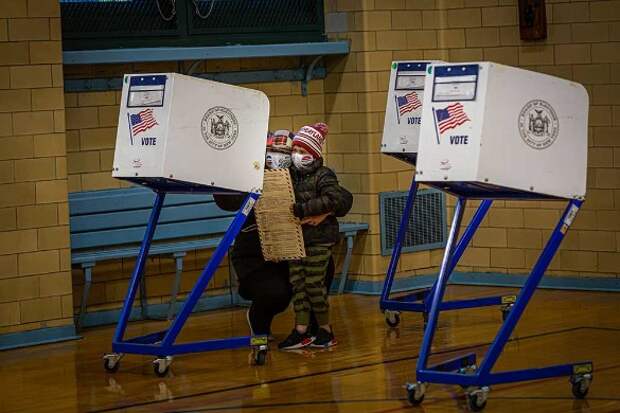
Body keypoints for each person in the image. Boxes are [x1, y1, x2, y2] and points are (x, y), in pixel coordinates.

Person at [213, 130, 346, 338]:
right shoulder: (252, 176)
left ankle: (312, 326)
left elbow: (343, 197)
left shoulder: (299, 175)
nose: (277, 156)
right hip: (256, 257)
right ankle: (259, 326)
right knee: (277, 293)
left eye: (284, 152)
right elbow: (224, 200)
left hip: (290, 248)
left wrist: (326, 210)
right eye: (271, 152)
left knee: (322, 267)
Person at [278, 123, 353, 350]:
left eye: (303, 152)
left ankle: (325, 330)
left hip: (320, 239)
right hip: (296, 239)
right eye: (295, 151)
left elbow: (335, 199)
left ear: (313, 154)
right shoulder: (290, 175)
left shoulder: (324, 174)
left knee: (313, 284)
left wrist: (304, 209)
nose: (297, 156)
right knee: (297, 285)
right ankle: (301, 330)